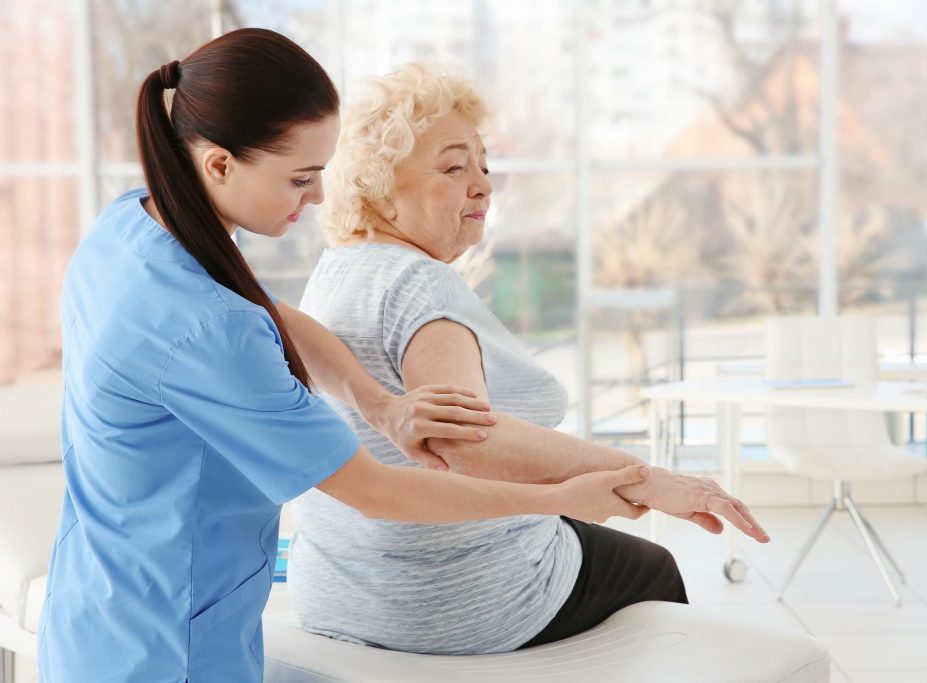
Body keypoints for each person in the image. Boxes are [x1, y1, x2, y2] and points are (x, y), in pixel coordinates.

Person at [38, 30, 654, 683]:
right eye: (301, 178)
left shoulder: (130, 228)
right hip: (169, 649)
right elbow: (376, 489)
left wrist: (378, 403)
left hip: (92, 611)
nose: (320, 198)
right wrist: (561, 495)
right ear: (219, 165)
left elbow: (270, 314)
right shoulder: (213, 331)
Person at [289, 63, 770, 656]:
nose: (484, 185)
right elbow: (465, 441)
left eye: (485, 166)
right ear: (379, 185)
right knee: (653, 566)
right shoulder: (418, 285)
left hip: (336, 590)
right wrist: (651, 480)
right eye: (454, 166)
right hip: (453, 601)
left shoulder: (335, 272)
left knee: (577, 528)